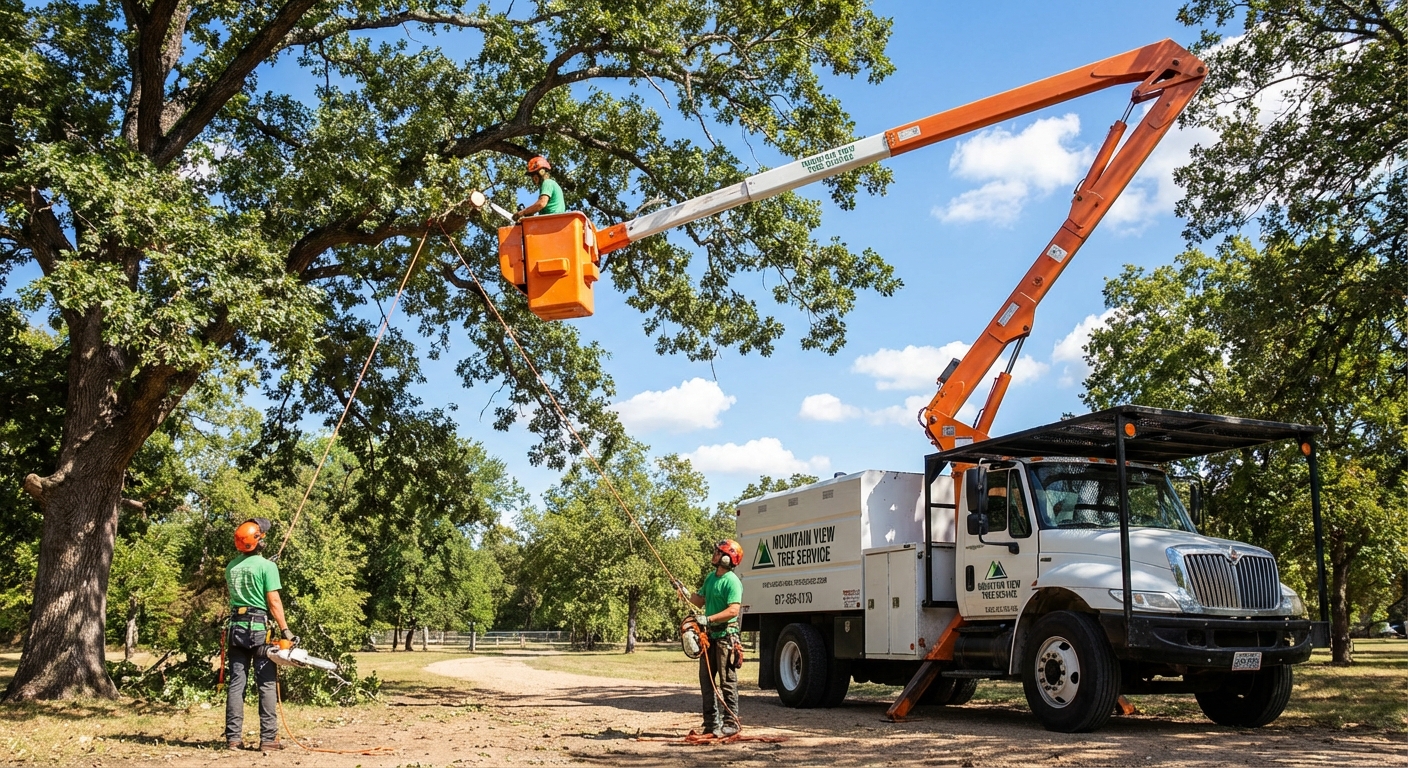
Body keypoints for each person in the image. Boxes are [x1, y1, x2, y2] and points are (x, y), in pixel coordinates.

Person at [224, 518, 295, 752]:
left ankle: (233, 739)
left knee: (237, 684)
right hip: (257, 631)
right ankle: (268, 740)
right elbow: (273, 601)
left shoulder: (231, 567)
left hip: (235, 629)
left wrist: (265, 564)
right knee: (266, 683)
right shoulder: (267, 567)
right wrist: (286, 630)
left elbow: (249, 575)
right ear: (258, 542)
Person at [676, 539, 744, 738]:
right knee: (707, 681)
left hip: (726, 637)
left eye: (717, 551)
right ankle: (710, 723)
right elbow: (699, 599)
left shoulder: (732, 581)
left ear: (725, 558)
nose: (714, 553)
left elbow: (733, 610)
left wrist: (708, 618)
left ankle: (731, 721)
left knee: (727, 681)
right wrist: (684, 592)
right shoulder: (711, 578)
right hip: (710, 636)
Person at [512, 156, 565, 220]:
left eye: (533, 174)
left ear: (541, 172)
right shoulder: (551, 184)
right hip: (553, 221)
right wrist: (530, 213)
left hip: (552, 221)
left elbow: (541, 204)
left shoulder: (547, 183)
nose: (533, 178)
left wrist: (522, 212)